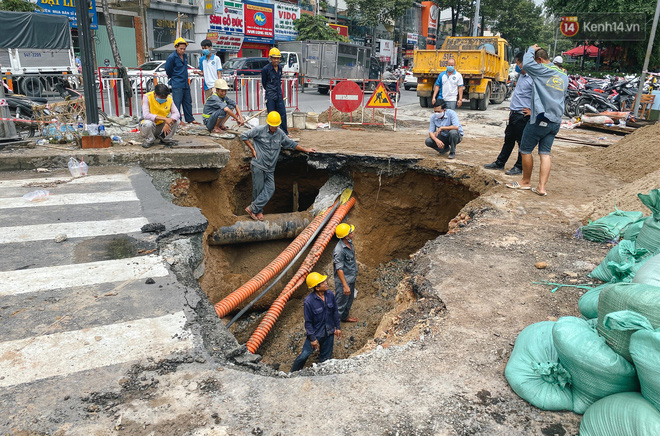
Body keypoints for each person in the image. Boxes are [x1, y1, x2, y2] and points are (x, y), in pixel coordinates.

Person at [506, 45, 568, 196]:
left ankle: (526, 181)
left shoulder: (542, 70)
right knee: (545, 153)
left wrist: (530, 49)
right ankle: (541, 187)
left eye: (536, 61)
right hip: (555, 120)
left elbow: (526, 64)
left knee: (525, 149)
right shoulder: (563, 75)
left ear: (539, 60)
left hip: (541, 119)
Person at [240, 111, 316, 221]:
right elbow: (244, 136)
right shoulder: (259, 130)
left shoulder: (280, 133)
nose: (274, 128)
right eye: (272, 126)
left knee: (270, 188)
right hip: (259, 165)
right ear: (268, 124)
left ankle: (253, 208)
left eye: (276, 126)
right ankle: (258, 211)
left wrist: (306, 149)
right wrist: (252, 149)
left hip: (270, 167)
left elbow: (291, 143)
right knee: (258, 189)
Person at [483, 51, 533, 175]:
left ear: (524, 63)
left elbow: (539, 97)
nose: (517, 66)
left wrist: (533, 111)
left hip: (523, 116)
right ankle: (500, 163)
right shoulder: (521, 76)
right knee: (509, 139)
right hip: (514, 114)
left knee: (522, 143)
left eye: (518, 63)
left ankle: (519, 167)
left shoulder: (533, 79)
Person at [290, 272, 342, 372]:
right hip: (316, 333)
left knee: (325, 358)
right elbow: (308, 322)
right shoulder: (308, 301)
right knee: (304, 355)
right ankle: (292, 374)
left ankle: (321, 376)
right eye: (323, 282)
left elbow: (335, 312)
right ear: (317, 288)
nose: (326, 283)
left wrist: (338, 327)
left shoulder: (330, 295)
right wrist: (313, 339)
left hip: (329, 332)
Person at [165, 37, 196, 125]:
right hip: (177, 83)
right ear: (176, 47)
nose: (182, 50)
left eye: (184, 49)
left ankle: (190, 118)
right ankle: (178, 120)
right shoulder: (172, 57)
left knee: (187, 101)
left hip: (185, 82)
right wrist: (174, 77)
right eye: (181, 49)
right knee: (177, 103)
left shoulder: (185, 56)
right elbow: (168, 69)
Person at [139, 83, 180, 148]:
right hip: (149, 127)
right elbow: (146, 115)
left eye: (165, 97)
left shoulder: (169, 98)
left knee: (176, 120)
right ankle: (149, 140)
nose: (163, 99)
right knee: (147, 123)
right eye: (161, 97)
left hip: (161, 126)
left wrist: (167, 124)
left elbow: (176, 114)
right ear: (155, 94)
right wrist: (165, 119)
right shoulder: (147, 97)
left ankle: (165, 139)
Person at [333, 223, 358, 323]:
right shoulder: (339, 250)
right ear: (346, 236)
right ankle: (334, 325)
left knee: (349, 299)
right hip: (344, 281)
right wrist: (345, 285)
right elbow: (339, 269)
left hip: (351, 278)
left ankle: (345, 317)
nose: (352, 232)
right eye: (350, 232)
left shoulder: (349, 242)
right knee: (340, 303)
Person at [261, 48, 289, 136]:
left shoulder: (280, 68)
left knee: (282, 113)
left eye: (278, 58)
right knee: (272, 114)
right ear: (270, 58)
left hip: (279, 94)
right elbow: (264, 83)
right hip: (270, 95)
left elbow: (279, 80)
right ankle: (271, 133)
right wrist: (270, 90)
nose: (276, 60)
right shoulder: (265, 69)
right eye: (274, 58)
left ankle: (284, 132)